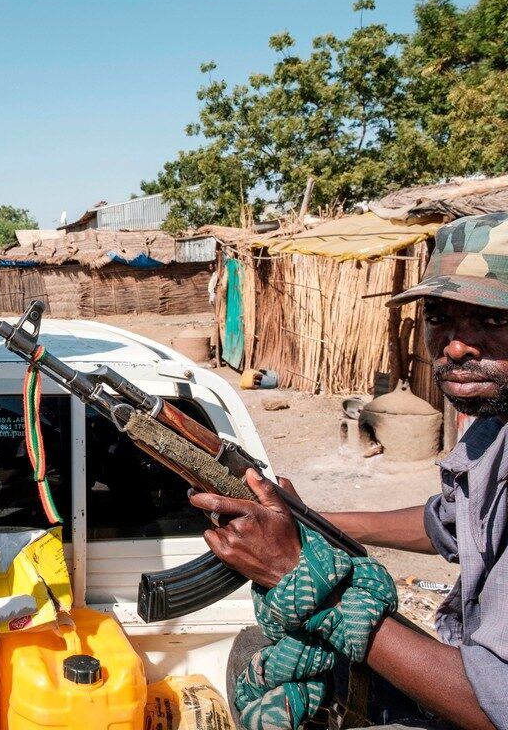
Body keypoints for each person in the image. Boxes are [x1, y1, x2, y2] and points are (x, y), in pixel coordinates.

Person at [197, 213, 508, 730]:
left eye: (494, 320)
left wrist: (298, 576)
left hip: (480, 701)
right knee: (251, 652)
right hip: (471, 665)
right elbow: (452, 523)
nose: (456, 346)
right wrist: (311, 519)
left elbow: (493, 702)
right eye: (440, 318)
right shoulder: (495, 424)